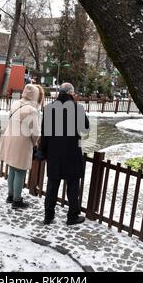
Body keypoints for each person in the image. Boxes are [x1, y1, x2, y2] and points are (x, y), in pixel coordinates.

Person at [39, 82, 89, 225]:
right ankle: (72, 216)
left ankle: (48, 216)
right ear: (71, 93)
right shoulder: (77, 109)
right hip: (72, 153)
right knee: (73, 184)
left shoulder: (49, 109)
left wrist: (44, 151)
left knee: (52, 185)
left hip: (54, 153)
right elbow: (85, 128)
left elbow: (45, 134)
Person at [0, 84, 44, 209]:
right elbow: (35, 132)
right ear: (35, 95)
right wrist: (34, 143)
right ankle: (17, 200)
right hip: (22, 143)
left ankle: (10, 195)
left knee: (12, 168)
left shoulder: (15, 104)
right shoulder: (32, 110)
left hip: (10, 138)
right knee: (20, 171)